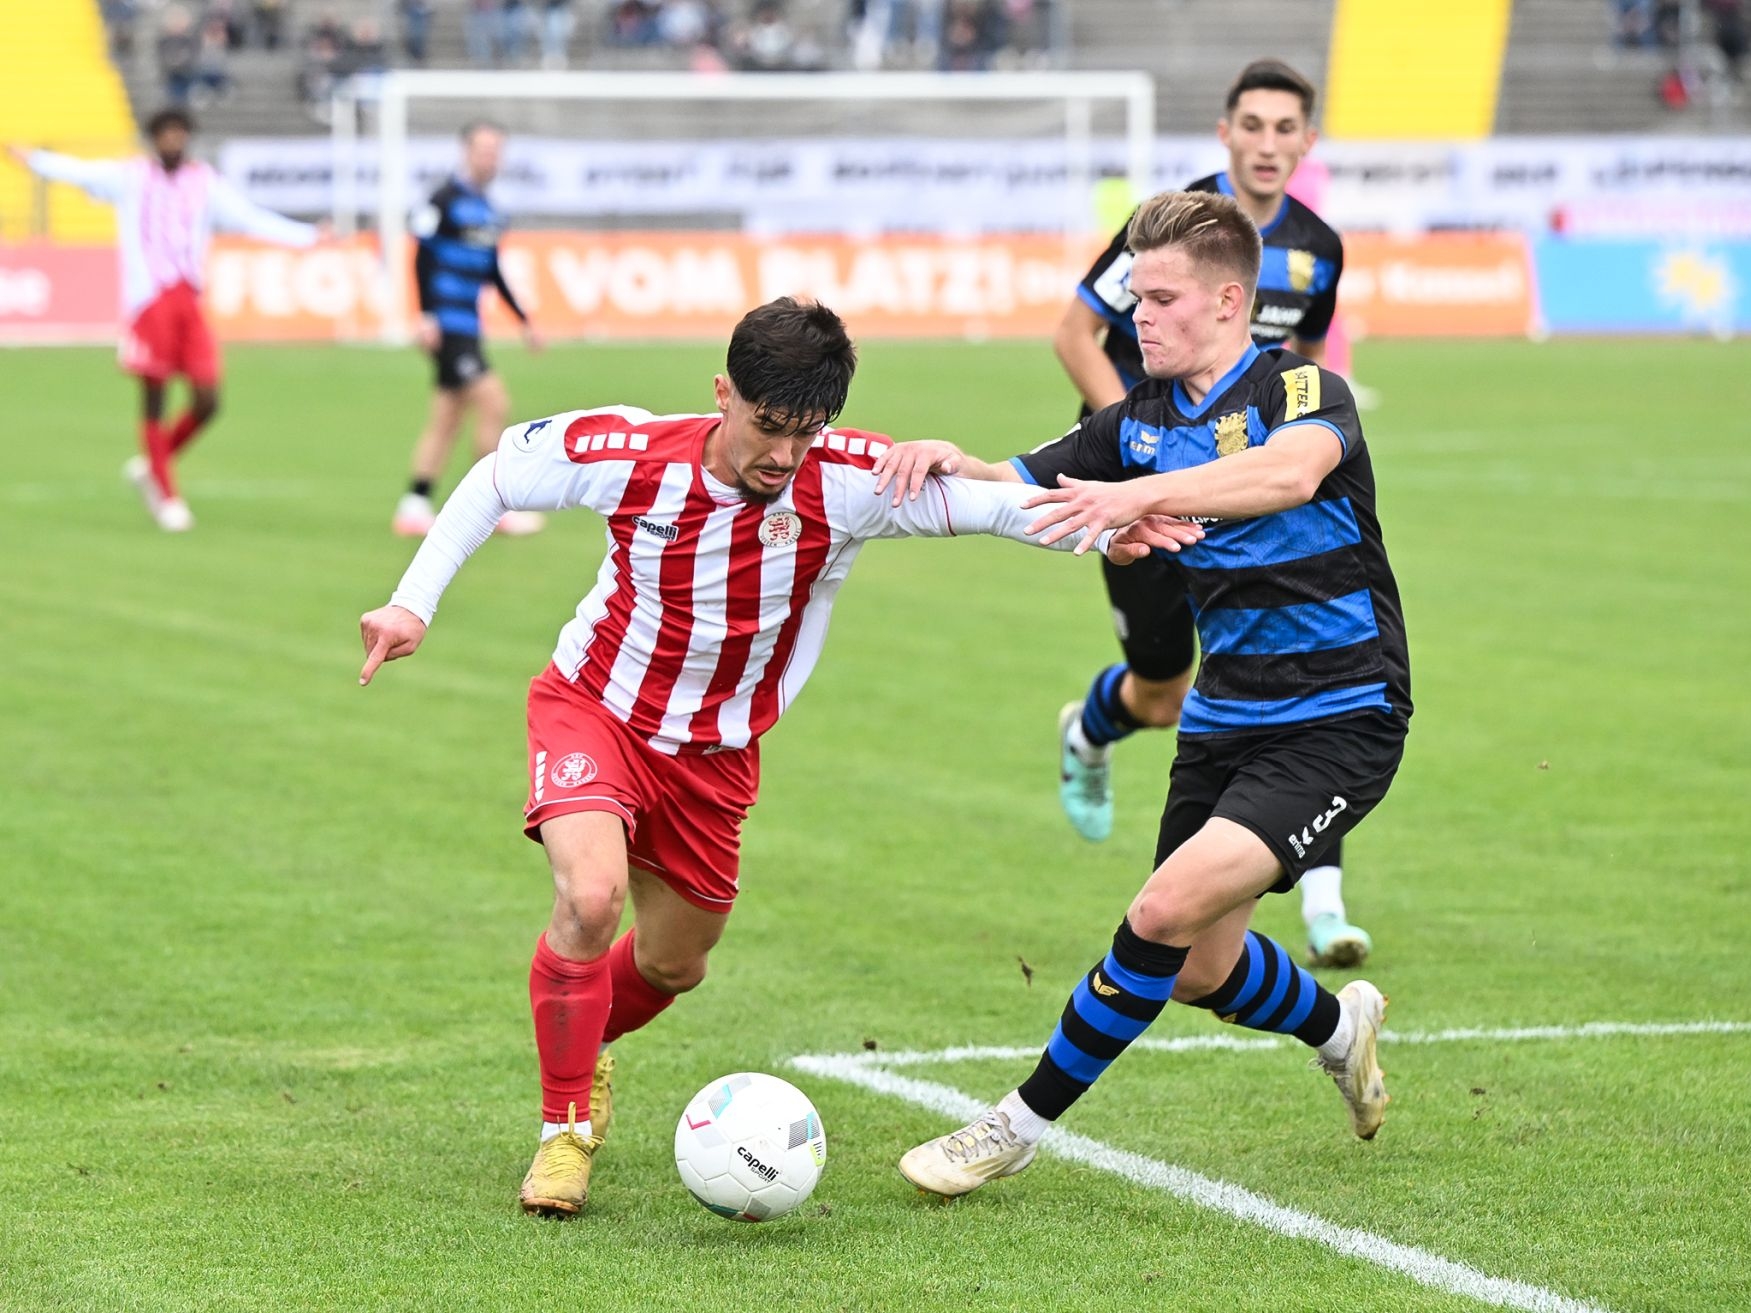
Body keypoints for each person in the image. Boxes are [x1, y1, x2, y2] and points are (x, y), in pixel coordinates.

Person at [355, 297, 1193, 1217]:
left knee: (674, 964)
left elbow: (993, 506)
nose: (785, 453)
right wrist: (412, 603)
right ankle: (565, 1130)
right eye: (768, 425)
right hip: (595, 709)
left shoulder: (849, 480)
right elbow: (497, 475)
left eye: (807, 431)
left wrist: (1105, 528)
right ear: (724, 393)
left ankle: (584, 1039)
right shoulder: (633, 454)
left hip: (715, 757)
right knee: (589, 898)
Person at [876, 189, 1410, 1198]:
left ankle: (1013, 1126)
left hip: (1340, 714)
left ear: (1229, 302)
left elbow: (1288, 476)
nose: (1139, 318)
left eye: (1162, 299)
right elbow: (1019, 484)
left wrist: (1140, 495)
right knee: (1202, 967)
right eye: (1136, 298)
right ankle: (1341, 1028)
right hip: (1225, 715)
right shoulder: (1138, 422)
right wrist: (951, 463)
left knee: (1160, 910)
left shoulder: (1299, 389)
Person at [1047, 57, 1372, 969]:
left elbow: (1302, 360)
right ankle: (1091, 728)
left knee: (1301, 661)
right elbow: (1074, 333)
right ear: (1225, 133)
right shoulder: (1174, 229)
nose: (1267, 144)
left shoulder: (1318, 248)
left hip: (1238, 482)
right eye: (1252, 125)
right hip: (1141, 482)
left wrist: (1292, 445)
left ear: (1307, 143)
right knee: (1162, 691)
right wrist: (1146, 444)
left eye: (1285, 128)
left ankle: (1324, 903)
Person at [8, 109, 321, 531]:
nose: (173, 141)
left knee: (208, 400)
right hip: (149, 301)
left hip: (189, 299)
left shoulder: (203, 182)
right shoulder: (131, 178)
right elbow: (79, 172)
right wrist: (33, 159)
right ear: (154, 139)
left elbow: (248, 218)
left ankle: (154, 464)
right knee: (155, 397)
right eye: (166, 134)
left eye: (179, 134)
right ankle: (166, 495)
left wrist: (308, 236)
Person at [393, 121, 546, 538]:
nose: (489, 158)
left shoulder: (491, 211)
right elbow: (421, 256)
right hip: (447, 325)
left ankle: (413, 506)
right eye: (483, 149)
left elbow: (493, 271)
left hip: (469, 326)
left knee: (447, 417)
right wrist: (426, 315)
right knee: (495, 403)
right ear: (466, 152)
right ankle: (490, 508)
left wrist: (524, 321)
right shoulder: (442, 200)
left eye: (496, 151)